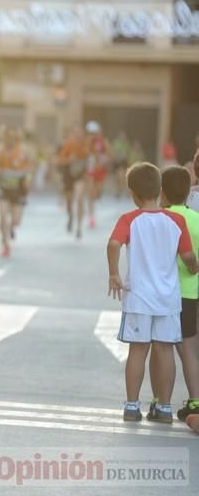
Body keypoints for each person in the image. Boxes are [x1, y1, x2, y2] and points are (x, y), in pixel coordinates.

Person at [108, 162, 198, 423]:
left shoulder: (129, 220)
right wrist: (193, 268)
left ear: (132, 193)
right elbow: (189, 257)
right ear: (160, 190)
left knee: (138, 351)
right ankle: (166, 409)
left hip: (139, 298)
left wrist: (114, 272)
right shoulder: (177, 220)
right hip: (168, 299)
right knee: (165, 350)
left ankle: (133, 406)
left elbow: (114, 243)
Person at [157, 166, 199, 422]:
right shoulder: (195, 218)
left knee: (161, 348)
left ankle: (160, 402)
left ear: (161, 192)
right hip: (190, 292)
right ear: (188, 191)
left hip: (162, 293)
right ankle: (195, 400)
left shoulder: (159, 218)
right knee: (188, 349)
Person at [0, 126, 34, 257]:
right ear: (3, 138)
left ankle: (11, 228)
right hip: (3, 188)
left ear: (15, 138)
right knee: (3, 215)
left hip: (19, 189)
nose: (8, 140)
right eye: (6, 137)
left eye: (11, 137)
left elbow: (31, 167)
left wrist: (28, 179)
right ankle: (5, 244)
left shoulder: (23, 151)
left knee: (16, 220)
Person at [58, 125, 89, 239]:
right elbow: (60, 161)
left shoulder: (87, 144)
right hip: (69, 176)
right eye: (76, 133)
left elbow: (91, 159)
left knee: (80, 198)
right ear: (73, 134)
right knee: (69, 202)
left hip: (80, 176)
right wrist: (69, 160)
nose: (78, 136)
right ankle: (70, 217)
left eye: (80, 133)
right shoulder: (69, 144)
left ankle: (79, 227)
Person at [85, 121, 110, 229]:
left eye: (95, 132)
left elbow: (110, 155)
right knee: (90, 193)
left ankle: (95, 199)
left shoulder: (104, 142)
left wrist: (103, 161)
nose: (93, 135)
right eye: (91, 133)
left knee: (98, 193)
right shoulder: (87, 142)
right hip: (90, 170)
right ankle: (91, 217)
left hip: (101, 170)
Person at [111, 131, 131, 199]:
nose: (122, 137)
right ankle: (118, 191)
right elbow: (113, 152)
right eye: (121, 136)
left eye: (124, 136)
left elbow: (128, 153)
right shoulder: (116, 143)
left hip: (124, 162)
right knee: (118, 177)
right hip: (117, 162)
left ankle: (120, 191)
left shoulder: (126, 143)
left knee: (123, 177)